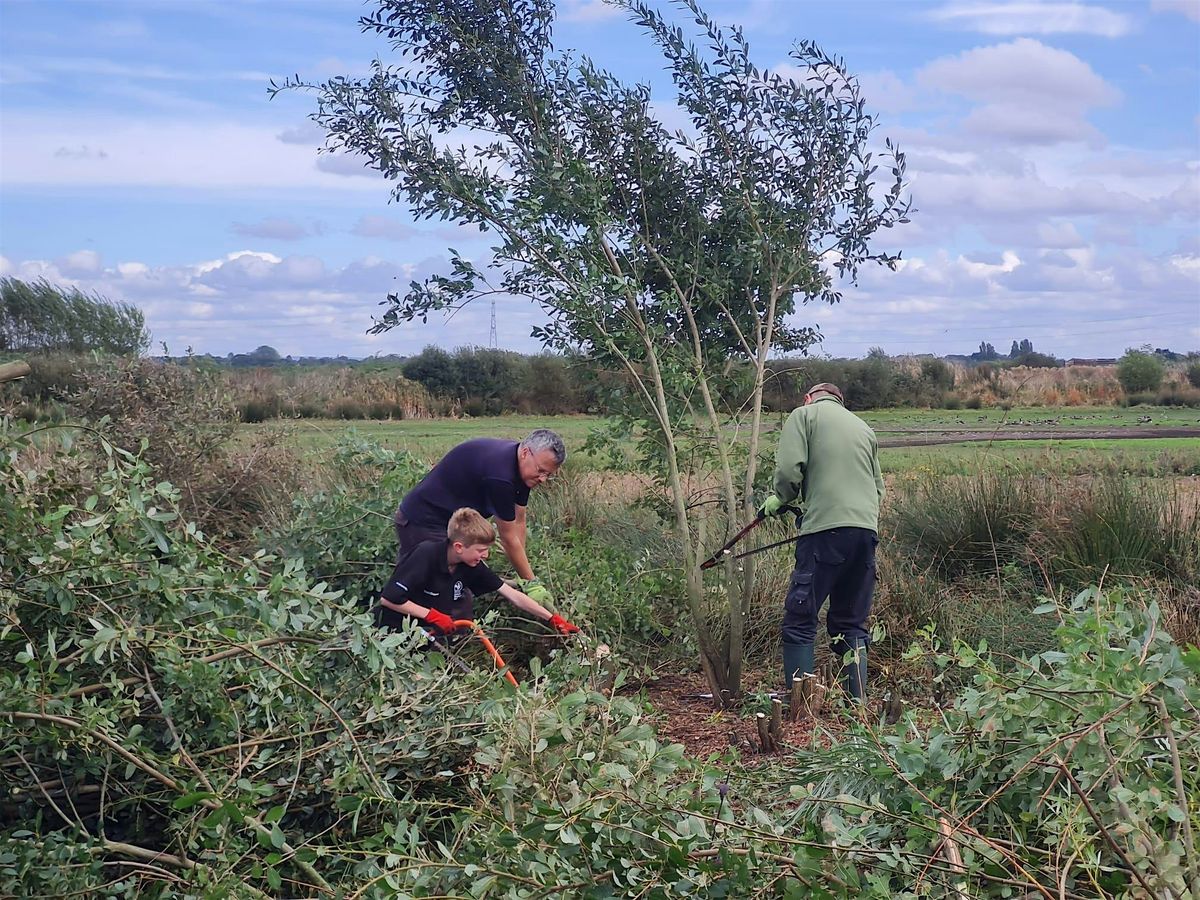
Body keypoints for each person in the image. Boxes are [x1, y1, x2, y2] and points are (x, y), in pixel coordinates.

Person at [759, 383, 884, 701]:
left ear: (808, 398)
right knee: (851, 623)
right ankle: (857, 707)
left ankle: (799, 705)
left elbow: (789, 470)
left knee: (800, 617)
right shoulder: (864, 428)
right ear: (841, 402)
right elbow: (878, 488)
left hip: (824, 534)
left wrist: (779, 498)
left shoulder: (804, 416)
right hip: (866, 533)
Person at [395, 429, 564, 606]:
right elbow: (507, 537)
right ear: (525, 453)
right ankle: (393, 628)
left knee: (461, 581)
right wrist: (532, 583)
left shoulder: (525, 470)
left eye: (549, 475)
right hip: (423, 521)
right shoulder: (501, 476)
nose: (543, 479)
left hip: (454, 525)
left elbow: (519, 522)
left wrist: (523, 576)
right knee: (447, 592)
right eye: (541, 471)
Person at [375, 507, 579, 637]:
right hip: (392, 635)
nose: (486, 556)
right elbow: (389, 598)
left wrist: (553, 618)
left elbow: (514, 596)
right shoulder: (426, 555)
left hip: (426, 635)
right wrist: (432, 616)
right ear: (458, 547)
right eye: (481, 550)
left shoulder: (470, 565)